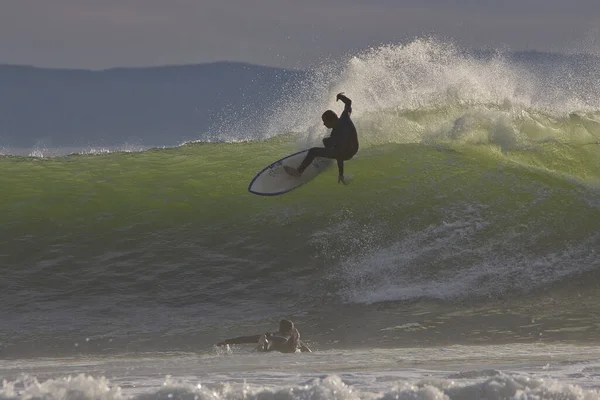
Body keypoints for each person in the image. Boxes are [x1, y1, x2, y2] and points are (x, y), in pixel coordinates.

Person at [285, 93, 359, 184]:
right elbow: (348, 103)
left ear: (331, 120)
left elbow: (340, 155)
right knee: (327, 142)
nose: (324, 124)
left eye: (325, 121)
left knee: (314, 150)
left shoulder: (336, 135)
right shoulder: (344, 117)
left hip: (348, 152)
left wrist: (341, 173)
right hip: (352, 147)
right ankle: (322, 159)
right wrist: (340, 97)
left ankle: (299, 172)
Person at [216, 319, 312, 353]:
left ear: (280, 328)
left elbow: (249, 339)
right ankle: (264, 345)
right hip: (283, 354)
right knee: (263, 341)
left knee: (262, 342)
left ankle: (264, 345)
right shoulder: (292, 339)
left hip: (272, 353)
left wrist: (228, 341)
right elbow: (307, 351)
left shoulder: (277, 337)